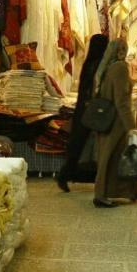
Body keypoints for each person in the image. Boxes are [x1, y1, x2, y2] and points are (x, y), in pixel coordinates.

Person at [93, 38, 137, 208]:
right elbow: (121, 100)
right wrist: (131, 126)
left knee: (120, 157)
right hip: (116, 121)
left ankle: (131, 190)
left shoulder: (107, 68)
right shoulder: (120, 68)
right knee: (112, 158)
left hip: (107, 119)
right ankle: (101, 195)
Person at [57, 33, 109, 192]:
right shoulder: (97, 65)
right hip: (91, 111)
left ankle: (69, 175)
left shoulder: (89, 63)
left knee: (80, 145)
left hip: (84, 109)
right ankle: (66, 175)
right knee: (83, 145)